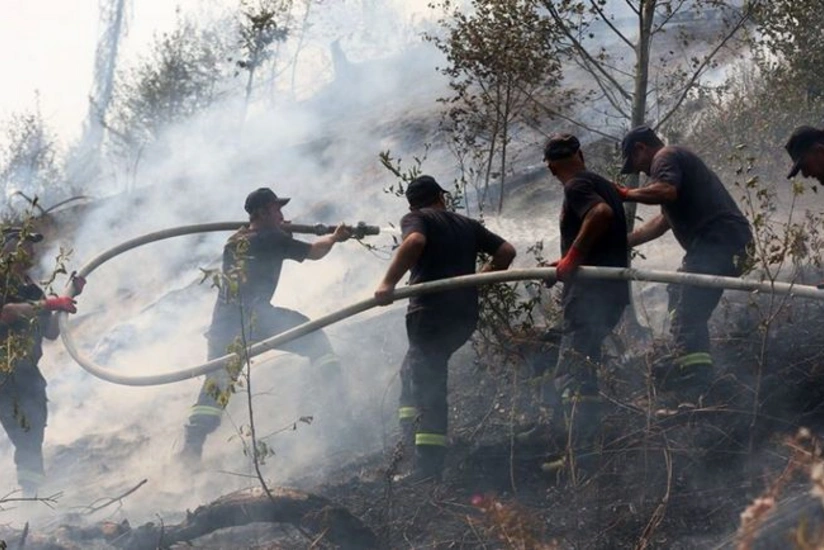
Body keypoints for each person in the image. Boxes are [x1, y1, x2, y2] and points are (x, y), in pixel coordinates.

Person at [181, 188, 352, 464]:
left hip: (223, 325)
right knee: (313, 338)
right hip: (256, 319)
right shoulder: (269, 238)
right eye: (276, 210)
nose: (282, 215)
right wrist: (335, 237)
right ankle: (340, 406)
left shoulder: (237, 240)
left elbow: (267, 249)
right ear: (261, 213)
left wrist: (282, 233)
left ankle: (192, 446)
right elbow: (315, 252)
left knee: (217, 383)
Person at [374, 175, 516, 482]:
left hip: (430, 315)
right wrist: (476, 282)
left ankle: (427, 470)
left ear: (412, 203)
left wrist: (388, 283)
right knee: (411, 372)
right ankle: (410, 444)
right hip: (464, 316)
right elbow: (506, 252)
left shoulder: (416, 218)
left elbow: (414, 242)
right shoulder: (466, 224)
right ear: (441, 196)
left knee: (429, 385)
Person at [618, 125, 752, 401]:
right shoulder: (677, 168)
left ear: (641, 148)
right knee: (681, 296)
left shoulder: (664, 157)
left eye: (636, 164)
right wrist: (621, 242)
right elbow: (662, 222)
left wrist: (625, 193)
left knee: (685, 309)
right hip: (727, 242)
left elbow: (665, 191)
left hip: (719, 239)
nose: (641, 172)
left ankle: (697, 382)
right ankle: (692, 365)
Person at [534, 133, 629, 471]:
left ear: (549, 167)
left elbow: (600, 215)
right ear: (581, 153)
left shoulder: (576, 187)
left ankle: (583, 457)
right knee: (583, 367)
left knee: (573, 371)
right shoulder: (601, 182)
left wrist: (572, 257)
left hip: (590, 296)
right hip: (610, 293)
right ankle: (588, 451)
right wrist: (561, 265)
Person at [0, 227, 82, 496]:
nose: (30, 250)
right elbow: (9, 312)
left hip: (27, 373)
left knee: (32, 436)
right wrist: (52, 304)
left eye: (32, 245)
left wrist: (69, 297)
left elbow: (50, 333)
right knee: (24, 435)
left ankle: (30, 498)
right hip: (4, 370)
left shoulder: (33, 290)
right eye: (23, 243)